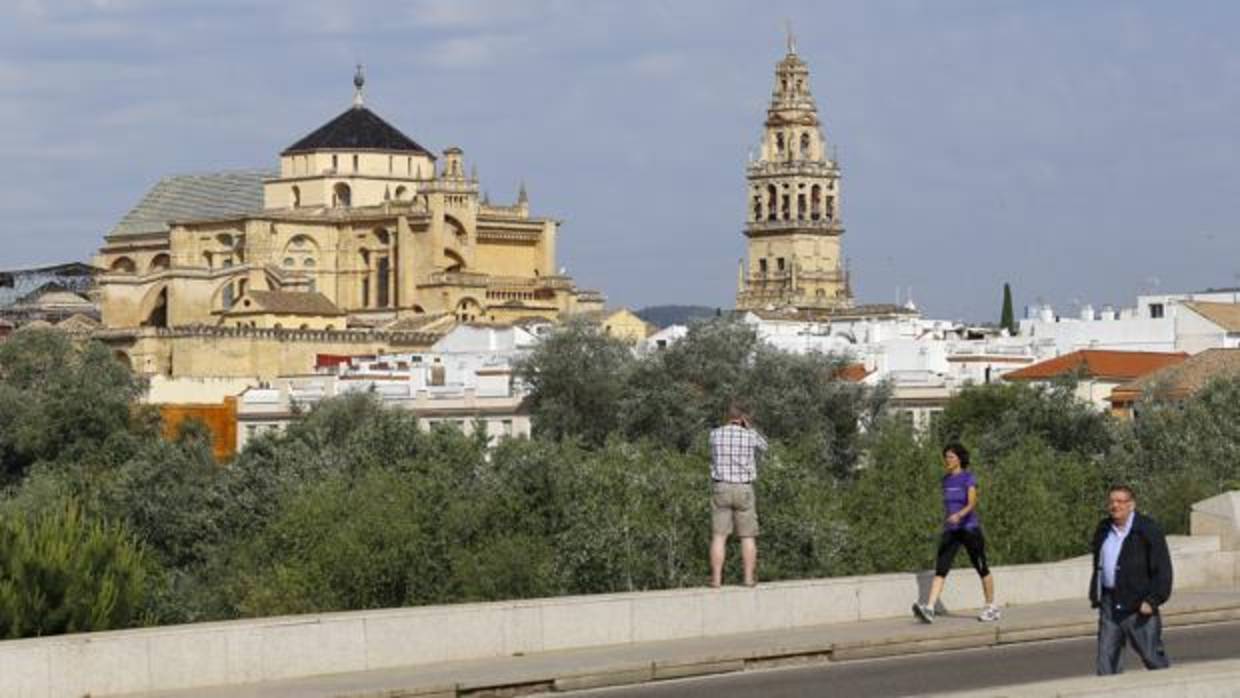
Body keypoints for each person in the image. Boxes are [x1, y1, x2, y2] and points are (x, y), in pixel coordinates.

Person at [1090, 485, 1173, 675]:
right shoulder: (1104, 529)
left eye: (1120, 501)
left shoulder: (1147, 529)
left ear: (1131, 505)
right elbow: (1099, 564)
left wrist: (1153, 600)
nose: (1115, 506)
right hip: (1110, 603)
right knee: (1106, 662)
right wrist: (1096, 594)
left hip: (1138, 604)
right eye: (1111, 501)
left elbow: (1163, 569)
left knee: (1152, 656)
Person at [913, 443, 1000, 623]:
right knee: (941, 569)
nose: (947, 460)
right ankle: (929, 608)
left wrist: (959, 515)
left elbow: (971, 503)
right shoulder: (945, 480)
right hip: (951, 530)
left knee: (981, 567)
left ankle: (991, 607)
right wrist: (948, 521)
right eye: (946, 457)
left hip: (969, 529)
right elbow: (948, 506)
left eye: (951, 457)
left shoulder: (968, 478)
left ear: (959, 459)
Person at [708, 403, 768, 588]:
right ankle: (748, 579)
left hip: (722, 487)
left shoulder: (715, 434)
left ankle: (717, 579)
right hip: (743, 488)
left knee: (719, 535)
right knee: (747, 536)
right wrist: (749, 427)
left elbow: (712, 454)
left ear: (727, 416)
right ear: (742, 418)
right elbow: (765, 446)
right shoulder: (749, 435)